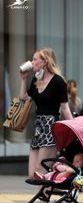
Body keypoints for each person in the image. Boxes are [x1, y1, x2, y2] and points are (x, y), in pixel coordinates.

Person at [19, 47, 73, 179]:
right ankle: (60, 180)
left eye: (35, 59)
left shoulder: (58, 81)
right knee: (32, 174)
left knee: (40, 171)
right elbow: (23, 98)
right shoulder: (36, 80)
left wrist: (74, 127)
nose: (32, 62)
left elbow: (65, 108)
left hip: (51, 126)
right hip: (38, 126)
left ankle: (44, 200)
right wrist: (24, 79)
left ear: (45, 62)